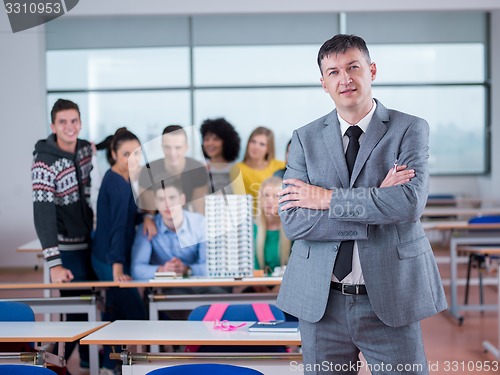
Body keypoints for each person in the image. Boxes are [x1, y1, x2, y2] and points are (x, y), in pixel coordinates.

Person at [277, 34, 446, 374]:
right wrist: (377, 202)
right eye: (334, 72)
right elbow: (294, 221)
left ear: (371, 70)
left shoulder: (409, 129)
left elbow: (409, 204)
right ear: (323, 83)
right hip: (321, 302)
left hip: (389, 294)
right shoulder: (304, 138)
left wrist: (326, 199)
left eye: (353, 67)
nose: (345, 79)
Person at [31, 98, 94, 370]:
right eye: (63, 122)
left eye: (74, 121)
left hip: (89, 243)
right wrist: (54, 263)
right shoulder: (44, 163)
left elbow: (97, 147)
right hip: (67, 250)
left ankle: (93, 362)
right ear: (53, 126)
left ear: (80, 123)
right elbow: (42, 213)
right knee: (78, 311)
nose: (70, 127)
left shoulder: (84, 150)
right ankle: (56, 365)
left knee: (92, 306)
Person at [91, 128, 146, 374]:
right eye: (126, 154)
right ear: (113, 154)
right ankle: (111, 363)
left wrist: (146, 218)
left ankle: (109, 364)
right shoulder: (118, 183)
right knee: (134, 311)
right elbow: (116, 228)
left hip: (110, 255)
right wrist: (117, 267)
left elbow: (128, 218)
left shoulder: (124, 179)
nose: (131, 159)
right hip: (108, 258)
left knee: (117, 310)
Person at [137, 125, 209, 238]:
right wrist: (148, 219)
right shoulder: (148, 171)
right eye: (168, 147)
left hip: (187, 227)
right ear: (162, 147)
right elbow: (148, 211)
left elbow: (198, 211)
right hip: (158, 228)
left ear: (186, 147)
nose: (172, 153)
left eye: (178, 147)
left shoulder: (197, 170)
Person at [230, 126, 285, 214]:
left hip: (279, 219)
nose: (256, 147)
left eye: (262, 144)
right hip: (254, 220)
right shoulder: (237, 170)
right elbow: (239, 202)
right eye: (253, 142)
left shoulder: (280, 166)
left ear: (268, 149)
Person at [254, 176, 291, 275]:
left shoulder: (291, 231)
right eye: (266, 195)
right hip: (256, 286)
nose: (269, 200)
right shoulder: (251, 229)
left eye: (275, 196)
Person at [200, 117, 241, 194]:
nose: (210, 143)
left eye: (216, 139)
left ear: (226, 142)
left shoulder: (236, 168)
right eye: (206, 139)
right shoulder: (200, 167)